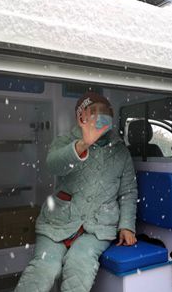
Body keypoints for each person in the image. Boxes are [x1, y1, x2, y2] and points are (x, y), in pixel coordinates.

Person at [16, 92, 138, 292]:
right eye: (92, 112)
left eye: (104, 112)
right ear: (80, 118)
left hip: (98, 229)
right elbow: (53, 165)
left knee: (79, 266)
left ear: (112, 114)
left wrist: (127, 226)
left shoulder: (121, 151)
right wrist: (83, 144)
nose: (98, 116)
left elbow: (128, 192)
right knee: (45, 269)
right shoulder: (65, 141)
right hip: (57, 222)